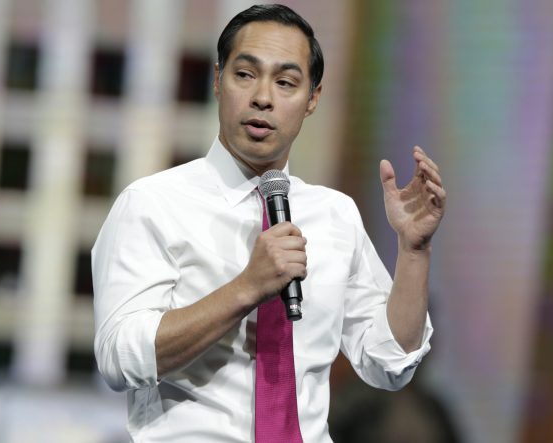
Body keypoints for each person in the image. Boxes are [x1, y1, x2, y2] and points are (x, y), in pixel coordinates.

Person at [92, 4, 445, 442]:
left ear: (312, 98)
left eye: (285, 82)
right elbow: (119, 357)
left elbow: (389, 364)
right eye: (245, 74)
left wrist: (414, 252)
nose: (263, 97)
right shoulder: (152, 205)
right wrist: (247, 289)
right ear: (218, 80)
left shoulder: (334, 214)